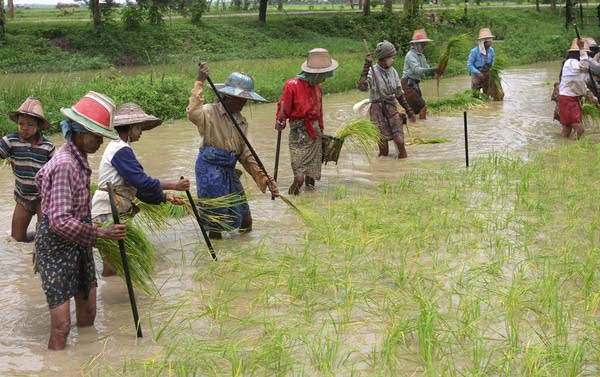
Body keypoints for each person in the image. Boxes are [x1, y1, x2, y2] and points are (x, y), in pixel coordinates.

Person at [34, 91, 127, 350]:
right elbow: (60, 222)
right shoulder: (65, 164)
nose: (99, 142)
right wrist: (101, 234)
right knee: (62, 327)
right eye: (96, 136)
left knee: (88, 316)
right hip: (57, 247)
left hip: (78, 241)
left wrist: (92, 230)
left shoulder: (79, 158)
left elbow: (41, 182)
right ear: (78, 131)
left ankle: (85, 362)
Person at [91, 103, 190, 276]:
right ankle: (112, 299)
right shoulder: (119, 149)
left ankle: (112, 296)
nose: (141, 131)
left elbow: (139, 189)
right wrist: (175, 185)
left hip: (114, 210)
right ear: (129, 128)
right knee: (114, 265)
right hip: (108, 211)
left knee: (117, 265)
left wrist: (165, 197)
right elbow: (143, 182)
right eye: (139, 127)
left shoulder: (121, 148)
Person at [187, 63, 279, 239]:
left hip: (229, 170)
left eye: (246, 99)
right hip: (210, 170)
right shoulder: (208, 112)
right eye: (240, 99)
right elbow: (192, 112)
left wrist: (266, 178)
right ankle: (219, 257)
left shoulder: (241, 121)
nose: (244, 103)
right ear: (226, 96)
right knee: (216, 223)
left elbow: (246, 155)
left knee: (246, 221)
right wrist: (199, 81)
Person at [275, 48, 338, 195]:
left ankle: (310, 202)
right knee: (299, 178)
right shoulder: (292, 85)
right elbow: (283, 109)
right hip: (298, 135)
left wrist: (322, 133)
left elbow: (319, 113)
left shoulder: (318, 88)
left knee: (311, 178)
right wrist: (280, 122)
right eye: (323, 75)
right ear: (316, 74)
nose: (325, 79)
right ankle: (291, 199)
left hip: (314, 134)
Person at [0, 97, 55, 242]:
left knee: (45, 237)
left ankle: (39, 239)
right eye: (21, 124)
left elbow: (56, 171)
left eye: (30, 124)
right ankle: (34, 237)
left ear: (38, 126)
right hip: (23, 196)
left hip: (43, 197)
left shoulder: (47, 146)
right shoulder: (10, 141)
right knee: (16, 239)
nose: (24, 128)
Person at [357, 40, 417, 159]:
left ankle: (402, 168)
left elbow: (399, 94)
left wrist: (409, 111)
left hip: (391, 107)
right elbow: (362, 87)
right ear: (384, 58)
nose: (393, 59)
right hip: (377, 110)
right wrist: (366, 66)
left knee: (400, 142)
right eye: (392, 57)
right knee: (383, 148)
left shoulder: (393, 71)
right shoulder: (372, 71)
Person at [557, 38, 592, 139]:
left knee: (567, 128)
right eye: (584, 53)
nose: (586, 56)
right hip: (568, 99)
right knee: (580, 129)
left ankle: (563, 147)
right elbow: (584, 66)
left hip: (569, 99)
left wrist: (590, 94)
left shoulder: (575, 65)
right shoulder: (571, 63)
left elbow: (580, 83)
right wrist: (582, 48)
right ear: (578, 53)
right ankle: (573, 146)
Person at [402, 29, 439, 119]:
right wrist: (432, 69)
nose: (424, 46)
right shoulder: (410, 55)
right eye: (422, 44)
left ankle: (415, 127)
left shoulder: (421, 56)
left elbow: (426, 69)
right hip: (407, 85)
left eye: (424, 44)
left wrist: (435, 71)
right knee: (423, 107)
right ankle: (423, 126)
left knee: (413, 111)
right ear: (416, 45)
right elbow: (417, 70)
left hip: (414, 84)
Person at [467, 28, 496, 97]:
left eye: (490, 41)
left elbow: (492, 62)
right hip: (477, 73)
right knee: (475, 94)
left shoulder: (491, 50)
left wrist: (492, 70)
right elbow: (469, 64)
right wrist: (478, 73)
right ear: (483, 42)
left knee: (486, 93)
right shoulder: (474, 51)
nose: (490, 43)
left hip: (487, 72)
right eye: (488, 41)